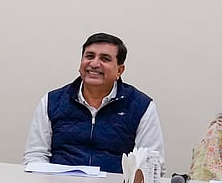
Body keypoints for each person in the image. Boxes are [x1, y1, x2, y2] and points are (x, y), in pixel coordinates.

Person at [23, 32, 165, 173]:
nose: (94, 64)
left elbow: (152, 164)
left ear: (119, 70)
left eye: (105, 59)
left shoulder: (141, 106)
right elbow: (35, 156)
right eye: (89, 56)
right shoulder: (52, 102)